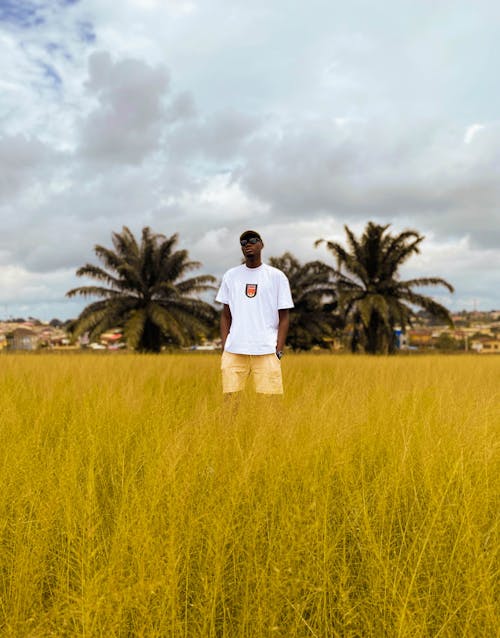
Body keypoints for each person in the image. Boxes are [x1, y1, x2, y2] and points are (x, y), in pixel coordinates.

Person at [216, 230, 294, 395]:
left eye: (252, 240)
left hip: (266, 349)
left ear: (261, 244)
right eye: (243, 243)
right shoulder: (231, 276)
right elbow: (225, 315)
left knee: (270, 403)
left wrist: (279, 349)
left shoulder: (277, 277)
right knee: (230, 400)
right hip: (234, 349)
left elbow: (284, 317)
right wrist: (225, 346)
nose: (247, 244)